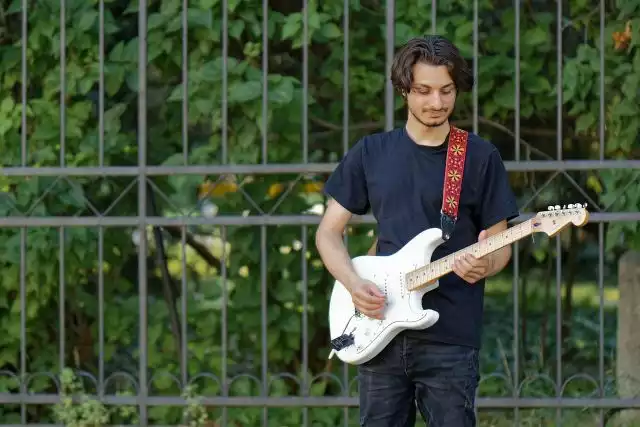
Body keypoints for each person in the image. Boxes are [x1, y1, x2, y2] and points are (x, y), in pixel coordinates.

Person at [315, 35, 520, 427]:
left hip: (451, 337)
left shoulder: (479, 156)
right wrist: (354, 284)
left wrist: (487, 264)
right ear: (403, 90)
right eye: (424, 91)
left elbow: (498, 246)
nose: (437, 102)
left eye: (446, 90)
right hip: (379, 330)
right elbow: (328, 232)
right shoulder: (371, 152)